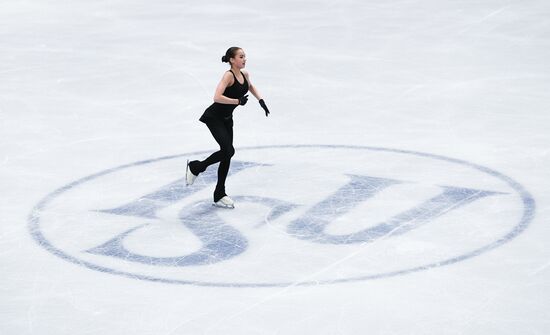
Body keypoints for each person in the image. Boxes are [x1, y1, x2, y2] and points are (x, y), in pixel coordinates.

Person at [185, 47, 270, 208]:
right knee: (228, 151)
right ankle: (196, 167)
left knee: (227, 155)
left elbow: (250, 87)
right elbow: (217, 97)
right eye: (241, 57)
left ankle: (219, 193)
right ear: (232, 60)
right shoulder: (228, 76)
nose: (244, 59)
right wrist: (237, 102)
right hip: (214, 118)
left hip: (227, 119)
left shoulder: (245, 74)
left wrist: (261, 100)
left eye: (245, 56)